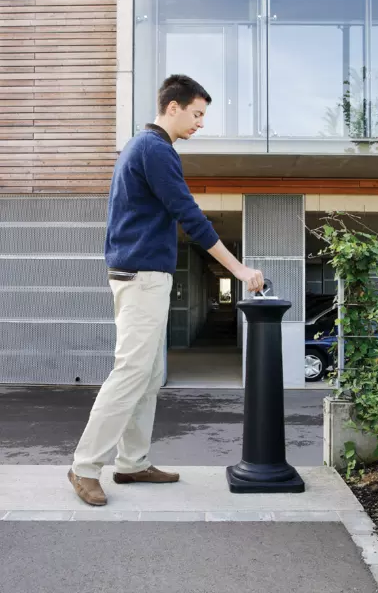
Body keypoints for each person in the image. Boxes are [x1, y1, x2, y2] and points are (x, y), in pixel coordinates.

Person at [68, 74, 264, 506]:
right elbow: (189, 216)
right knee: (132, 371)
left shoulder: (144, 148)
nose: (200, 123)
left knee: (150, 374)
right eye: (196, 114)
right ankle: (84, 467)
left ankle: (132, 462)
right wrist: (238, 269)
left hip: (141, 274)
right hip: (141, 276)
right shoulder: (154, 150)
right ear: (172, 107)